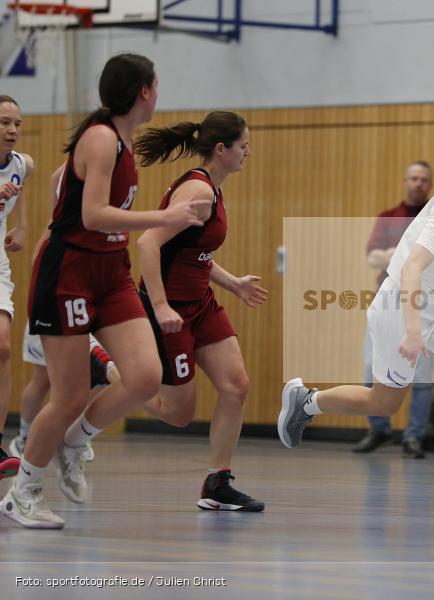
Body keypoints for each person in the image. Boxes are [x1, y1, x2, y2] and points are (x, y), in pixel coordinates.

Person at [1, 53, 208, 530]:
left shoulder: (120, 140)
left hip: (110, 271)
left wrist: (62, 191)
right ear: (143, 91)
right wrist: (166, 218)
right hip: (70, 270)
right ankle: (23, 492)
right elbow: (92, 215)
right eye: (156, 83)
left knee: (144, 377)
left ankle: (75, 442)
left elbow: (60, 181)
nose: (159, 90)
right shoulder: (100, 139)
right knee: (68, 394)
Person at [278, 143, 434, 512]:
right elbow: (410, 268)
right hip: (399, 304)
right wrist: (412, 329)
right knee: (385, 401)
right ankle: (308, 402)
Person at [124, 111, 265, 511]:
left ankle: (217, 482)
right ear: (221, 149)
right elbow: (148, 245)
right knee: (178, 414)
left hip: (200, 302)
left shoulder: (212, 191)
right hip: (169, 308)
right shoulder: (198, 192)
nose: (248, 152)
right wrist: (161, 305)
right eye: (243, 146)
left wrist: (232, 282)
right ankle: (110, 369)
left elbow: (191, 252)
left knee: (236, 385)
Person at [10, 165, 118, 466]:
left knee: (94, 377)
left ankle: (73, 435)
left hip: (84, 309)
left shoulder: (100, 221)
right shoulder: (58, 227)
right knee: (43, 381)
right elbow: (55, 176)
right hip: (49, 305)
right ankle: (24, 436)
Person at [354, 161, 434, 459]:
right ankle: (379, 429)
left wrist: (394, 256)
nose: (418, 184)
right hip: (386, 303)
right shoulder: (389, 217)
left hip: (425, 305)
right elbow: (374, 258)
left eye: (424, 180)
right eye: (414, 178)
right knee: (369, 368)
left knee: (423, 377)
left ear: (430, 184)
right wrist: (403, 256)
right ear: (406, 181)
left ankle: (414, 437)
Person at [0, 94, 31, 480]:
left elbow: (24, 177)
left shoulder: (21, 164)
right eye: (4, 122)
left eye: (17, 124)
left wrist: (21, 224)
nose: (12, 130)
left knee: (4, 347)